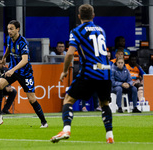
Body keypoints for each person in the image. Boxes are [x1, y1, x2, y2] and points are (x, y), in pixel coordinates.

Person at [50, 4, 114, 144]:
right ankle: (109, 136)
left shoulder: (77, 31)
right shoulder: (101, 30)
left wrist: (65, 71)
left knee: (68, 99)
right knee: (104, 103)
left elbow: (70, 54)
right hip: (105, 71)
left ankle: (66, 129)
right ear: (93, 15)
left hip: (90, 71)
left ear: (79, 16)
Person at [0, 20, 48, 128]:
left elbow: (25, 60)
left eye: (11, 29)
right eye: (8, 29)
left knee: (31, 99)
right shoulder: (9, 39)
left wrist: (12, 70)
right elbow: (9, 48)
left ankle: (44, 122)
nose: (9, 31)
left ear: (17, 29)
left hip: (25, 73)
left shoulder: (23, 42)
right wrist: (4, 57)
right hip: (13, 70)